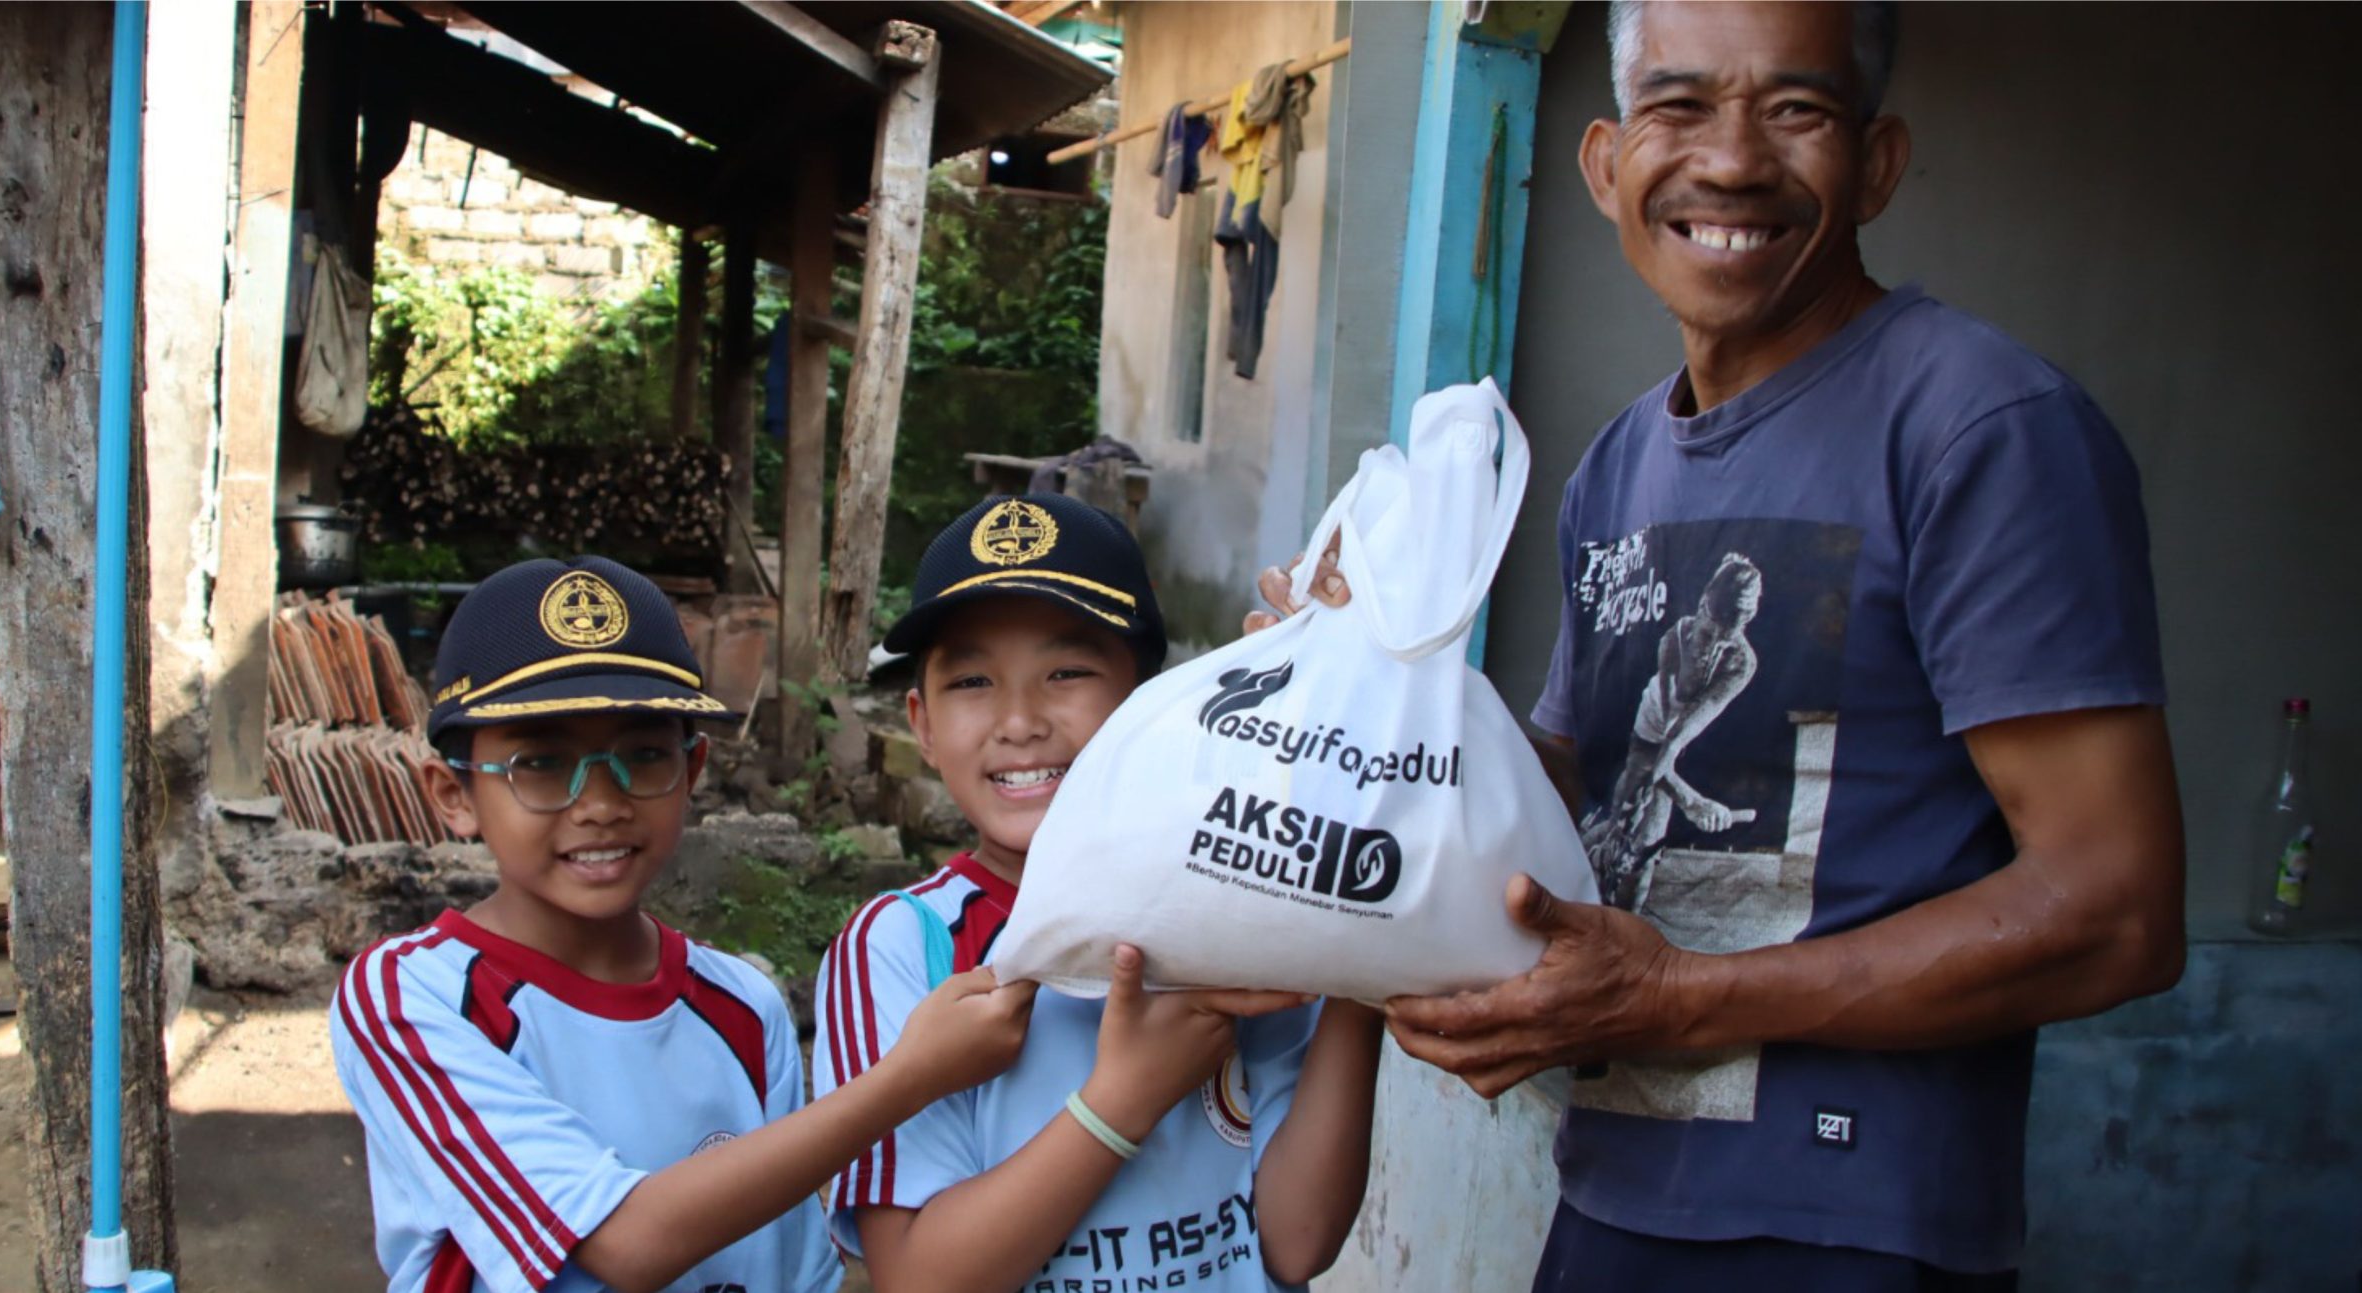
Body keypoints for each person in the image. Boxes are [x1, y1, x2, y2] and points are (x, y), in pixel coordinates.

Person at [1258, 2, 2184, 1287]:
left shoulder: (1980, 427)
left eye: (1795, 109)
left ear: (1878, 162)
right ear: (1604, 163)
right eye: (1678, 107)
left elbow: (2115, 910)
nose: (1733, 160)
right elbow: (1561, 792)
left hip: (1848, 1224)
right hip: (1618, 1185)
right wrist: (1352, 681)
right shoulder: (1620, 462)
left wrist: (1683, 998)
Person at [330, 556, 1038, 1293]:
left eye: (642, 754)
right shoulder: (412, 997)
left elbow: (794, 1273)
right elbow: (621, 1243)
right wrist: (908, 1078)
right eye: (540, 762)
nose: (599, 801)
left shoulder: (741, 1004)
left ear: (692, 769)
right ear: (454, 793)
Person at [815, 494, 1384, 1292]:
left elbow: (1297, 1240)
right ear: (923, 722)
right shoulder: (904, 947)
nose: (1019, 720)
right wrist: (1122, 1101)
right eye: (973, 679)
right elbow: (916, 1278)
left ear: (1151, 701)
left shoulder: (1241, 915)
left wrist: (1377, 952)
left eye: (1068, 672)